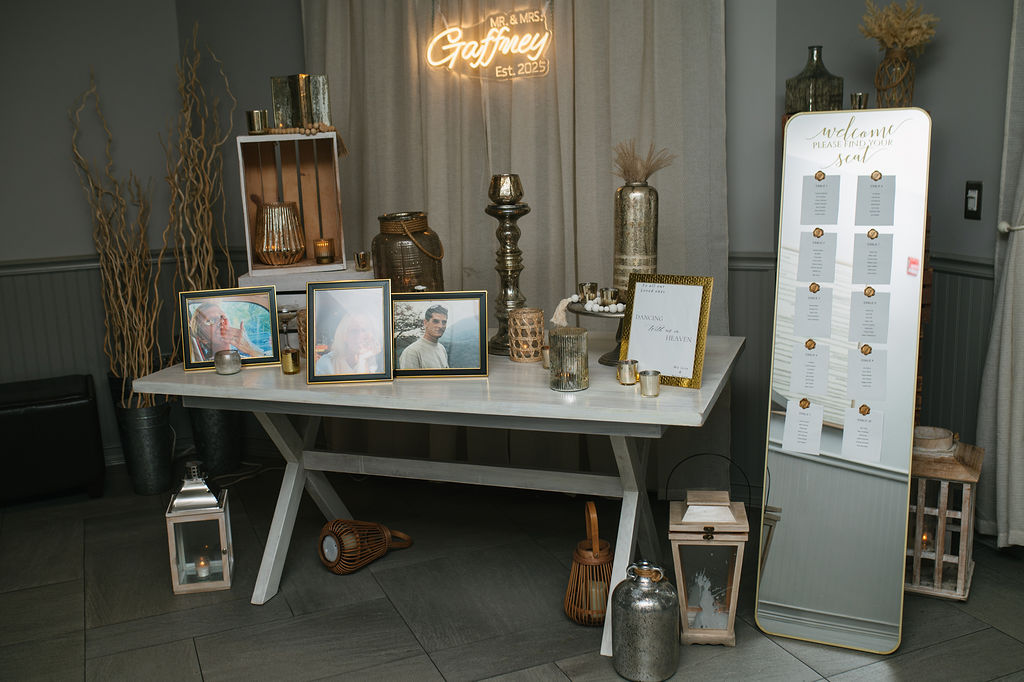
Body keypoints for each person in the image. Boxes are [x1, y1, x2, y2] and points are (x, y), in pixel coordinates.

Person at [315, 311, 384, 375]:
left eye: (364, 330)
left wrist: (362, 359)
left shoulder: (377, 361)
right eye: (354, 330)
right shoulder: (327, 363)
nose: (360, 336)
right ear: (344, 336)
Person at [189, 302, 263, 361]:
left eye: (222, 316)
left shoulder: (244, 355)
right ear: (203, 339)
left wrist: (250, 348)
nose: (221, 321)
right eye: (210, 320)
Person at [399, 304, 449, 369]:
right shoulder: (412, 352)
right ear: (425, 323)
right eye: (435, 321)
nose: (440, 326)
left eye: (444, 322)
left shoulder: (442, 348)